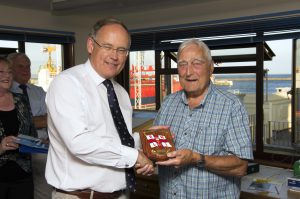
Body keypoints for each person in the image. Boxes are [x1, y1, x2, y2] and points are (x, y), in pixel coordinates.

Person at [45, 17, 154, 199]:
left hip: (120, 194)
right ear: (90, 45)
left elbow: (117, 141)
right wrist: (134, 157)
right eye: (108, 46)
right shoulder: (67, 83)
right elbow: (79, 142)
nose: (115, 56)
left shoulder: (121, 93)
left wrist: (145, 140)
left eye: (121, 50)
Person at [154, 39, 253, 199]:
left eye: (196, 63)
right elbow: (156, 151)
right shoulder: (168, 104)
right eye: (182, 64)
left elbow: (241, 167)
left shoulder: (231, 106)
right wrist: (146, 155)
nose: (188, 72)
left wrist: (196, 158)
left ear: (211, 67)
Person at [8, 52, 52, 199]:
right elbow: (14, 124)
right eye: (21, 66)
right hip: (15, 150)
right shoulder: (5, 92)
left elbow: (51, 119)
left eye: (28, 66)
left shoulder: (38, 91)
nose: (26, 70)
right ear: (10, 69)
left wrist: (29, 121)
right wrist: (36, 120)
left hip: (41, 148)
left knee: (45, 192)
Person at [0, 57, 37, 199]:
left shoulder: (21, 99)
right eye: (1, 72)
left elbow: (32, 132)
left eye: (9, 72)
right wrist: (1, 147)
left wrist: (38, 143)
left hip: (23, 176)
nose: (7, 75)